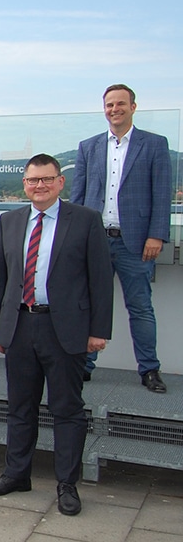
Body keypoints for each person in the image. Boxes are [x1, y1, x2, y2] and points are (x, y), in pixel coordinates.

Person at [0, 154, 112, 517]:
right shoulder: (10, 221)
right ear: (24, 184)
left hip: (65, 329)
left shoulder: (85, 220)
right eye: (33, 180)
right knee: (19, 407)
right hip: (20, 326)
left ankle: (67, 484)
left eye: (46, 179)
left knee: (67, 409)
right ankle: (17, 474)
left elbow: (100, 279)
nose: (39, 186)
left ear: (59, 182)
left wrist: (99, 331)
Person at [70, 84, 171, 393]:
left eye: (120, 104)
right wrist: (73, 237)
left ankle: (149, 370)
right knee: (87, 305)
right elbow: (78, 197)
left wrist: (156, 235)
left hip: (136, 243)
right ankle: (84, 366)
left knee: (140, 307)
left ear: (133, 107)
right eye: (109, 105)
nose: (114, 109)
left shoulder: (154, 144)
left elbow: (162, 194)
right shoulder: (89, 147)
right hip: (94, 240)